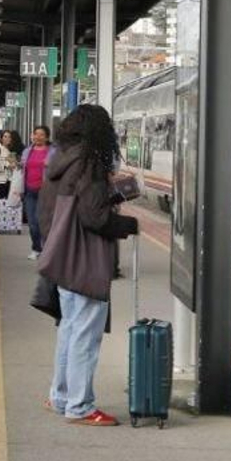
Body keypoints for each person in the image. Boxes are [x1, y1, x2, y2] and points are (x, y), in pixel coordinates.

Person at [37, 105, 138, 426]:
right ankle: (80, 406)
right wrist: (128, 224)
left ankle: (61, 396)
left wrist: (111, 195)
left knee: (69, 330)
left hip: (63, 258)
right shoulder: (90, 164)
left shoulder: (61, 160)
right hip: (85, 259)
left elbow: (66, 208)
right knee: (84, 335)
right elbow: (93, 216)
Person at [21, 125, 52, 260]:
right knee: (33, 223)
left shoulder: (52, 152)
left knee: (43, 222)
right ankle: (36, 248)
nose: (38, 137)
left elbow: (58, 168)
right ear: (32, 136)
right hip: (29, 191)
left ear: (47, 137)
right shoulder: (27, 151)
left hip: (45, 192)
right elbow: (23, 168)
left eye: (41, 135)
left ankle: (46, 248)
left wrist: (50, 164)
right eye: (36, 134)